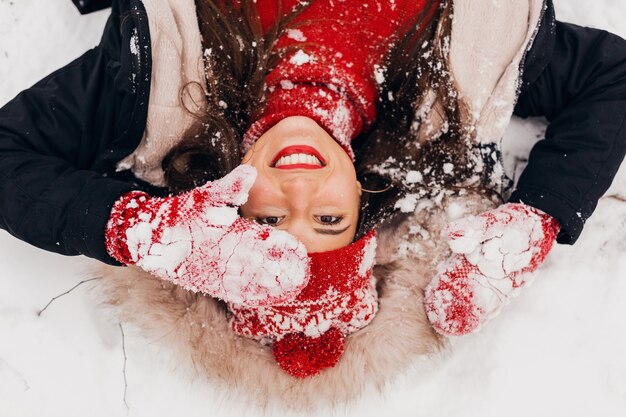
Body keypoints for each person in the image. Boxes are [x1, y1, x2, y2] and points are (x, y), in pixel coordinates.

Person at [0, 0, 625, 376]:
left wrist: (138, 230)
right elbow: (610, 75)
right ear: (362, 198)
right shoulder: (457, 82)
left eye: (267, 224)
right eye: (329, 222)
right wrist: (539, 216)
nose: (299, 194)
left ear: (225, 211)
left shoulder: (158, 85)